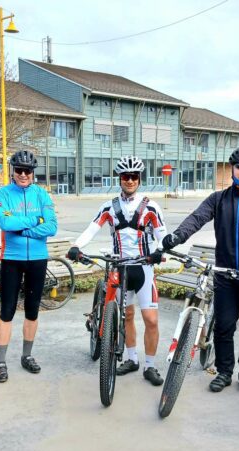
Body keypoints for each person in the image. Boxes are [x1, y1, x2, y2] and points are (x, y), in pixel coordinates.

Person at [162, 144, 239, 393]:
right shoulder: (219, 199)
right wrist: (177, 236)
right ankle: (224, 371)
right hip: (226, 275)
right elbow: (196, 218)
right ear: (232, 169)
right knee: (224, 325)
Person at [67, 155, 166, 386]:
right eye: (125, 176)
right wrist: (76, 246)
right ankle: (132, 359)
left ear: (139, 179)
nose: (130, 180)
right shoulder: (108, 207)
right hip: (120, 268)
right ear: (119, 178)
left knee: (151, 320)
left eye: (134, 176)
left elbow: (162, 234)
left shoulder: (151, 206)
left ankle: (150, 366)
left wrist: (161, 251)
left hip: (143, 268)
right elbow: (92, 229)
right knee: (127, 316)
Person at [0, 150, 58, 382]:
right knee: (7, 311)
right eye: (19, 170)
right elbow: (5, 222)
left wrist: (22, 230)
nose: (23, 174)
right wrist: (36, 220)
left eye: (27, 171)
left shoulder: (41, 194)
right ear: (13, 171)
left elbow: (52, 227)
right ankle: (1, 363)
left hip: (38, 259)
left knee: (32, 309)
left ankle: (26, 356)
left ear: (32, 173)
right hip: (12, 259)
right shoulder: (4, 193)